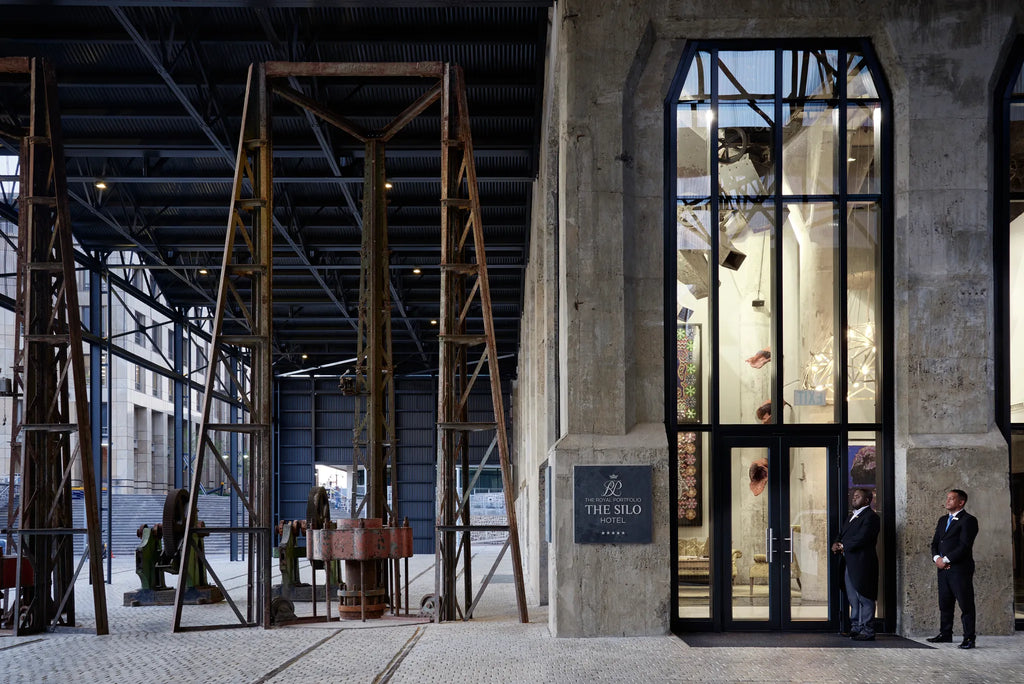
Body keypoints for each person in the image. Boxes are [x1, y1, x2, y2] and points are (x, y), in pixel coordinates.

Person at [927, 489, 979, 649]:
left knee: (965, 603)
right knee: (945, 602)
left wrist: (946, 559)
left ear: (961, 502)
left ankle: (969, 638)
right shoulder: (943, 520)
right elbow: (935, 543)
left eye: (951, 498)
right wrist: (937, 559)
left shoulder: (968, 520)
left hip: (959, 569)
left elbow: (964, 545)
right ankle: (945, 634)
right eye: (947, 498)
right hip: (943, 568)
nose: (947, 501)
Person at [831, 488, 880, 641]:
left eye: (858, 497)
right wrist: (836, 543)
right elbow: (842, 533)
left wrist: (843, 546)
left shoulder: (871, 517)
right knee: (853, 597)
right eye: (853, 496)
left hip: (863, 563)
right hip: (848, 562)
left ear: (866, 501)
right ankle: (856, 628)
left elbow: (863, 538)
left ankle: (868, 630)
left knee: (864, 596)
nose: (853, 498)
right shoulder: (851, 516)